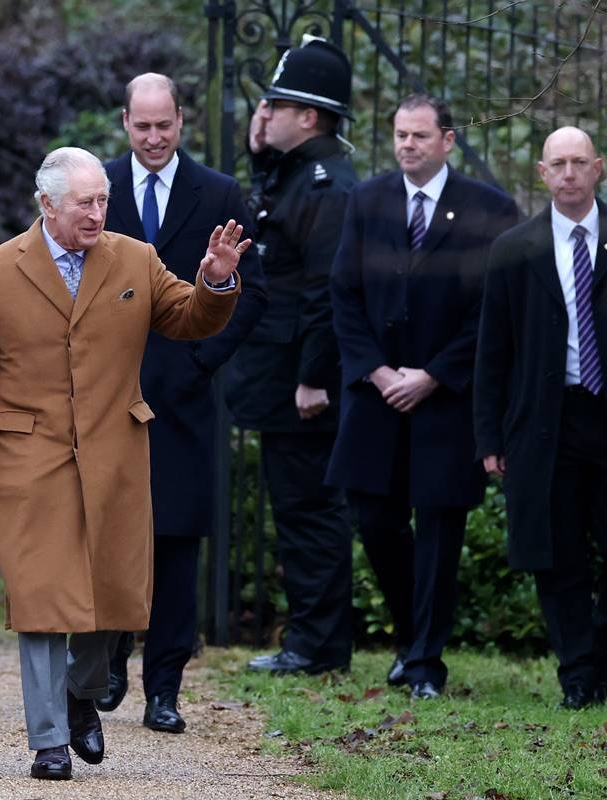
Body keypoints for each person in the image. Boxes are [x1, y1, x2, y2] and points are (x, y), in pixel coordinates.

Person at [0, 146, 244, 780]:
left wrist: (215, 280)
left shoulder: (134, 257)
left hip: (114, 453)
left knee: (108, 599)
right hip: (28, 457)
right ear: (47, 205)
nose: (98, 212)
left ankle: (83, 694)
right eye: (85, 202)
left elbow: (188, 320)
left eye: (103, 199)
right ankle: (48, 740)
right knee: (42, 598)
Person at [328, 94, 519, 699]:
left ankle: (425, 664)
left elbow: (493, 310)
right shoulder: (367, 198)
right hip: (376, 395)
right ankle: (412, 639)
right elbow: (344, 293)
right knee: (374, 519)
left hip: (445, 399)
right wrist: (379, 373)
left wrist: (433, 374)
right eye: (399, 135)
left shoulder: (489, 209)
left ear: (448, 140)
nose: (407, 145)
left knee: (439, 530)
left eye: (419, 135)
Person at [101, 73, 268, 733]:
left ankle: (163, 688)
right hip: (107, 394)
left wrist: (199, 363)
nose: (152, 138)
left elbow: (251, 293)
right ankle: (108, 658)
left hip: (182, 397)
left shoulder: (220, 193)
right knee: (110, 537)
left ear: (180, 121)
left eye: (162, 125)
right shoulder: (97, 187)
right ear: (124, 123)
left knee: (174, 547)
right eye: (140, 126)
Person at [225, 37, 358, 676]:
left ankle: (318, 646)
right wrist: (258, 151)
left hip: (301, 383)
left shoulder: (326, 185)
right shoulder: (301, 172)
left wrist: (312, 379)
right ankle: (312, 640)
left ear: (308, 116)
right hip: (281, 375)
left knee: (310, 512)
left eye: (274, 105)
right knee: (298, 508)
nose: (264, 113)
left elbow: (323, 293)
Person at [474, 126, 607, 710]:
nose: (571, 173)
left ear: (599, 168)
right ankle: (578, 674)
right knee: (557, 554)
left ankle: (598, 654)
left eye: (581, 162)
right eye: (560, 163)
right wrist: (489, 437)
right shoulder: (515, 249)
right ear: (542, 172)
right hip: (545, 421)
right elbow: (492, 352)